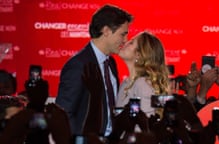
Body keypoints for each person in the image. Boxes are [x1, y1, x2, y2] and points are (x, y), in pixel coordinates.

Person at [55, 4, 133, 143]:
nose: (125, 40)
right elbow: (64, 114)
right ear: (106, 30)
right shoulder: (78, 65)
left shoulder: (111, 63)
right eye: (122, 34)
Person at [116, 31, 169, 117]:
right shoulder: (125, 83)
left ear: (138, 55)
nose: (126, 42)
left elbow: (144, 126)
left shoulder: (143, 84)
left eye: (131, 42)